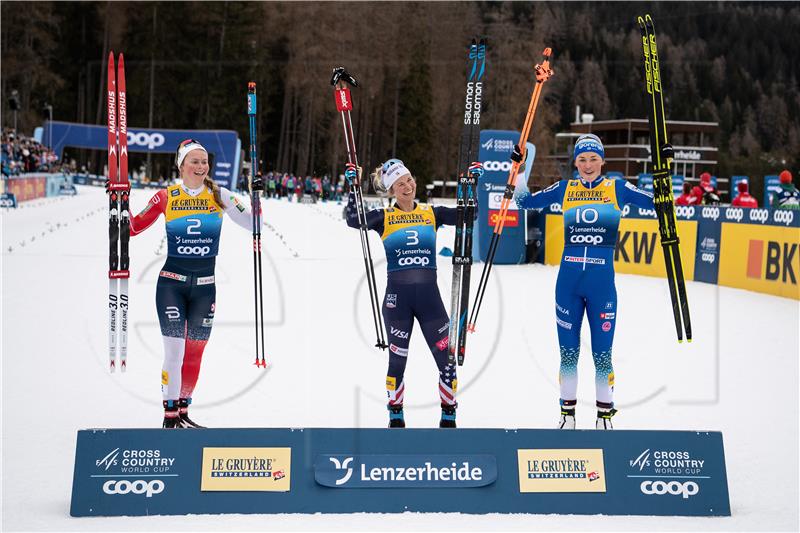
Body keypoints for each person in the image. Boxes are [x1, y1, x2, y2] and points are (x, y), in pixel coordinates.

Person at [514, 134, 656, 430]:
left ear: (603, 161)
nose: (588, 165)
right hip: (568, 285)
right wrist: (519, 170)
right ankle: (567, 416)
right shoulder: (566, 189)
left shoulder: (616, 188)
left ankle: (605, 417)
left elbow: (658, 203)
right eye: (582, 159)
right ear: (575, 162)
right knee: (568, 354)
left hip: (602, 287)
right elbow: (524, 201)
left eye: (593, 159)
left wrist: (663, 170)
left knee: (602, 355)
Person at [128, 139, 262, 428]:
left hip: (204, 287)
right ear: (181, 165)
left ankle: (184, 411)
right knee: (174, 352)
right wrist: (117, 204)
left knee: (195, 352)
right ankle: (169, 415)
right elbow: (134, 227)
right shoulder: (167, 196)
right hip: (171, 285)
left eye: (204, 161)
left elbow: (254, 224)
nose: (201, 166)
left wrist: (256, 196)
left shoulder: (219, 194)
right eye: (195, 161)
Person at [344, 158, 480, 429]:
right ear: (391, 190)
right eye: (399, 184)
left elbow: (469, 215)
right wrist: (352, 187)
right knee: (397, 361)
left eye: (409, 180)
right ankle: (395, 413)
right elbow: (352, 219)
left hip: (430, 302)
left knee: (447, 361)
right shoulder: (383, 217)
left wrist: (472, 185)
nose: (407, 186)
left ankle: (448, 413)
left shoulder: (433, 213)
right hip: (398, 303)